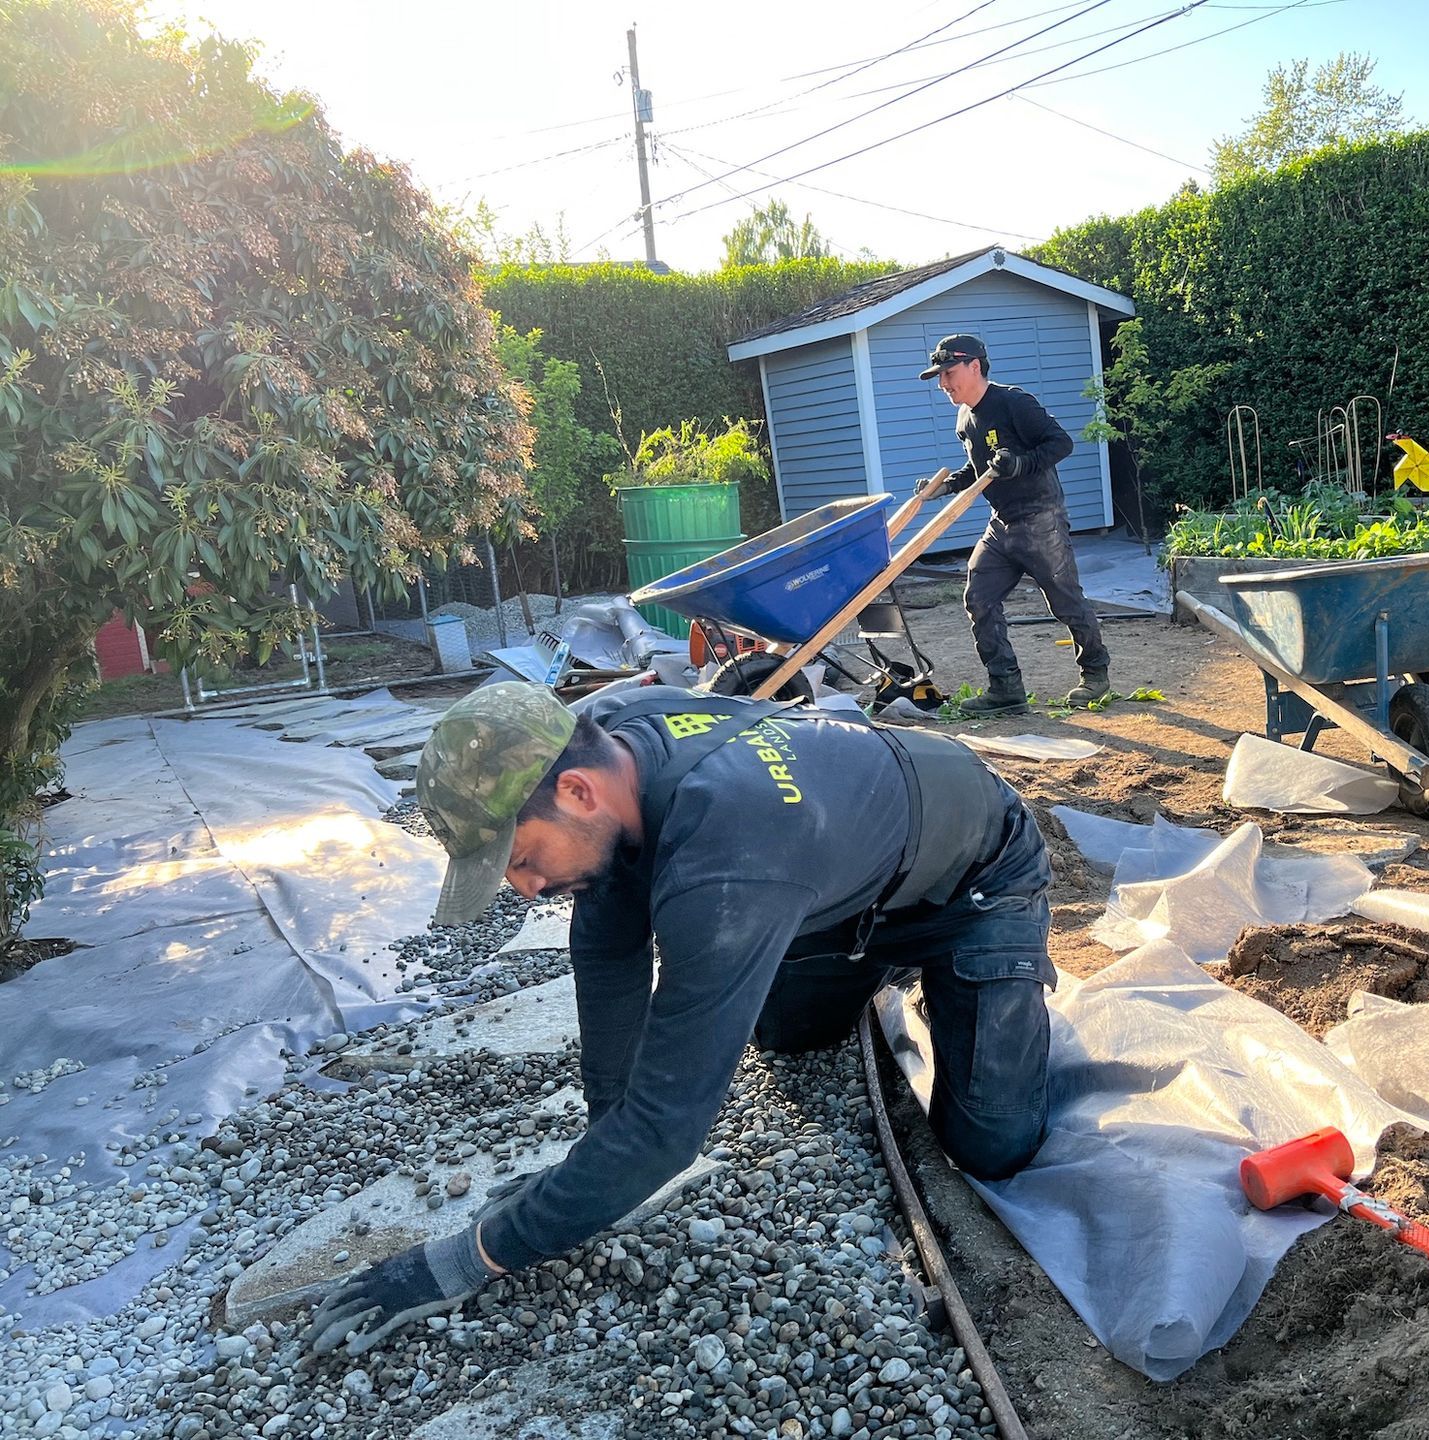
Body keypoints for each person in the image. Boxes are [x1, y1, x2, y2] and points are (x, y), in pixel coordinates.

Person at [302, 679, 1055, 1356]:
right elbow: (607, 954)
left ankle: (965, 974)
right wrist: (598, 1160)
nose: (526, 889)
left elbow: (667, 1131)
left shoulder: (731, 854)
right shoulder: (602, 742)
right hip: (837, 875)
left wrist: (469, 1258)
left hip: (975, 882)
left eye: (523, 859)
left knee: (991, 1144)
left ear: (577, 793)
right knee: (784, 1036)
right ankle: (867, 944)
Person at [915, 333, 1112, 715]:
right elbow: (979, 470)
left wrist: (1020, 464)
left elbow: (1060, 443)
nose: (943, 384)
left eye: (949, 373)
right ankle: (1006, 688)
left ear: (974, 366)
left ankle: (1095, 675)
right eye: (939, 377)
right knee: (979, 598)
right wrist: (946, 486)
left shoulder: (1013, 402)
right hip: (1001, 523)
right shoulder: (965, 418)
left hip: (1041, 519)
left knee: (1066, 602)